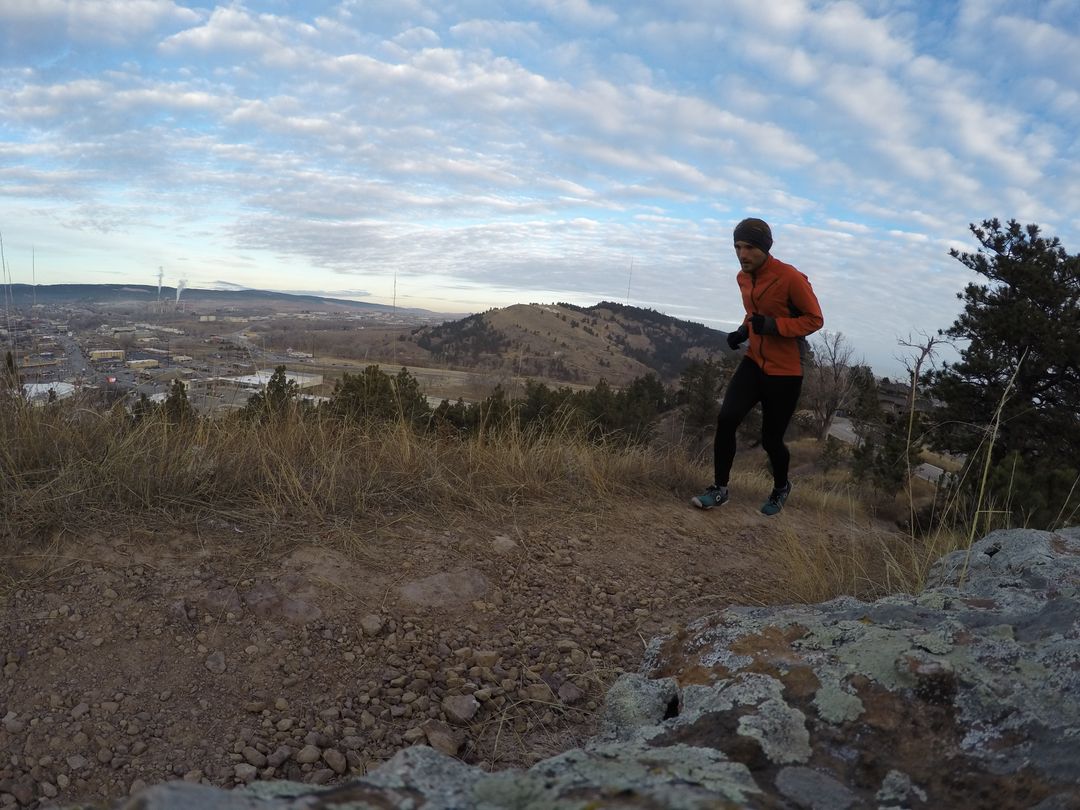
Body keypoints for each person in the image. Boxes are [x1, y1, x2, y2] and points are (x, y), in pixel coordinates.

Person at [692, 217, 823, 516]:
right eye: (737, 246)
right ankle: (720, 489)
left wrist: (774, 326)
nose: (742, 254)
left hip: (785, 371)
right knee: (727, 418)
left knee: (771, 440)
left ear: (764, 247)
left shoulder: (790, 278)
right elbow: (753, 313)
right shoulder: (743, 277)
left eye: (749, 247)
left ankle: (781, 488)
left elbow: (815, 319)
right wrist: (743, 331)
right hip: (754, 362)